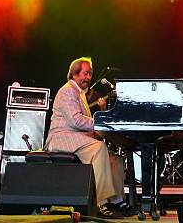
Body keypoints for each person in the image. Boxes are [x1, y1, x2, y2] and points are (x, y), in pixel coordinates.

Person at [45, 57, 131, 218]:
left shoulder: (80, 93)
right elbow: (75, 120)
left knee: (115, 159)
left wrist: (103, 130)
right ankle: (101, 203)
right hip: (62, 138)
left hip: (76, 137)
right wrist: (101, 124)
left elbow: (84, 124)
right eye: (85, 74)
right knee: (99, 148)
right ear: (74, 74)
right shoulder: (67, 91)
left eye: (90, 74)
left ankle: (117, 201)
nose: (88, 78)